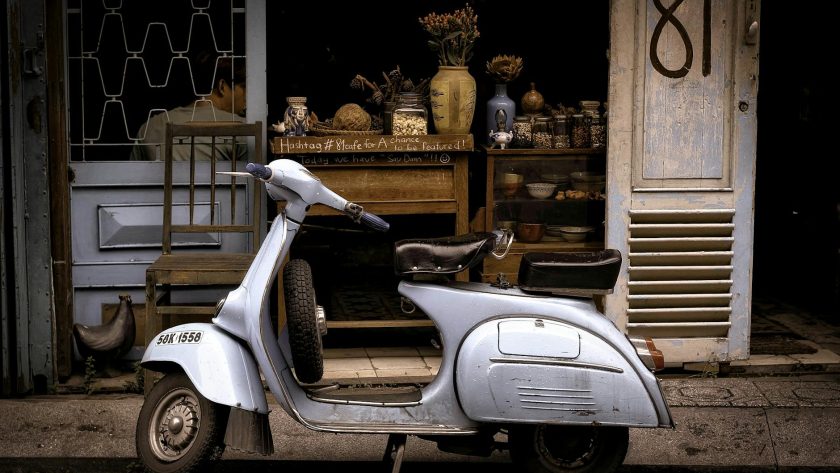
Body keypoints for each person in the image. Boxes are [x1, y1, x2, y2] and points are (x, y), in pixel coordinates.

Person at [130, 54, 248, 161]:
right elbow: (253, 180)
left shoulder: (149, 127)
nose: (247, 98)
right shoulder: (240, 128)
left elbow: (133, 179)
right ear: (222, 86)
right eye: (244, 88)